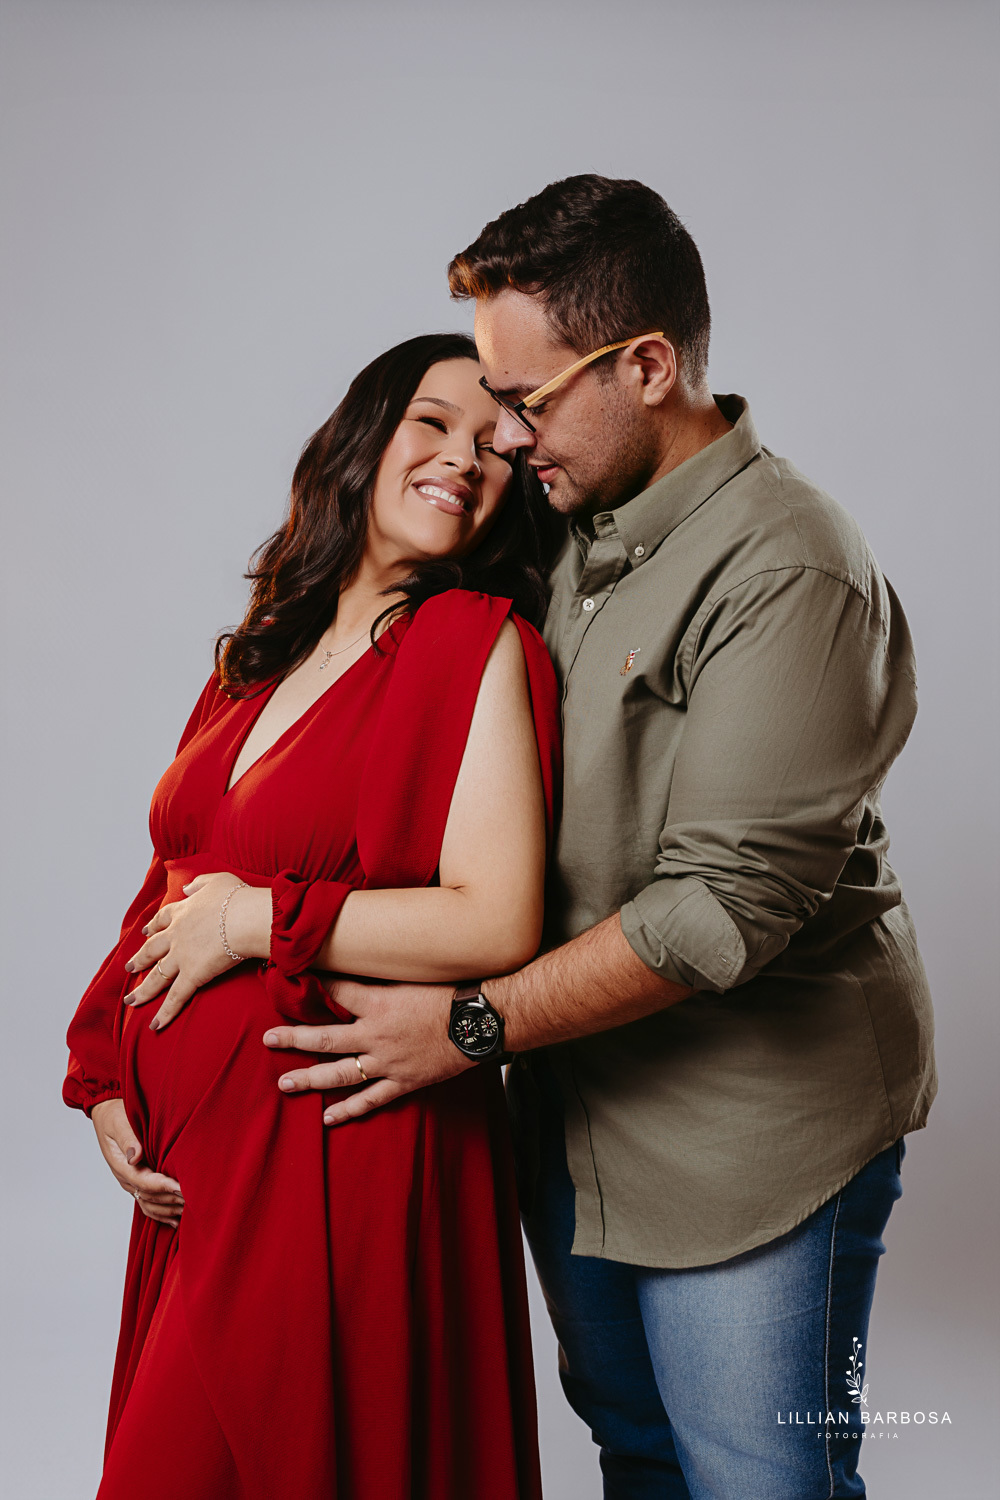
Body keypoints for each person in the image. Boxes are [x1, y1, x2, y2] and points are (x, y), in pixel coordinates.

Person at [263, 177, 938, 1500]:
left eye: (528, 400)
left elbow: (717, 911)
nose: (507, 439)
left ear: (647, 366)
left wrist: (466, 1027)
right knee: (639, 1459)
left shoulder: (788, 568)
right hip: (577, 1111)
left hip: (754, 1134)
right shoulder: (570, 524)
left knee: (757, 1479)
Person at [63, 332, 562, 1500]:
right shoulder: (255, 659)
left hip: (334, 1151)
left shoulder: (475, 644)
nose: (464, 458)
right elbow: (172, 878)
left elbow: (495, 922)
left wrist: (260, 923)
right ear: (362, 439)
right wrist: (104, 1075)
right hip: (202, 1170)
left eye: (495, 447)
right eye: (432, 423)